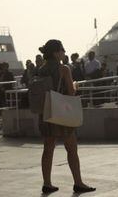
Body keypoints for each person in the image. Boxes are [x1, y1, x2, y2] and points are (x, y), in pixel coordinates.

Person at [38, 39, 95, 194]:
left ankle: (47, 183)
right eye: (62, 50)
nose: (64, 53)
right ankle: (78, 183)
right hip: (61, 113)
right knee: (71, 148)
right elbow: (71, 92)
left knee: (48, 149)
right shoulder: (64, 69)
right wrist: (75, 86)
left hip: (46, 112)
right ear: (56, 53)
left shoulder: (41, 69)